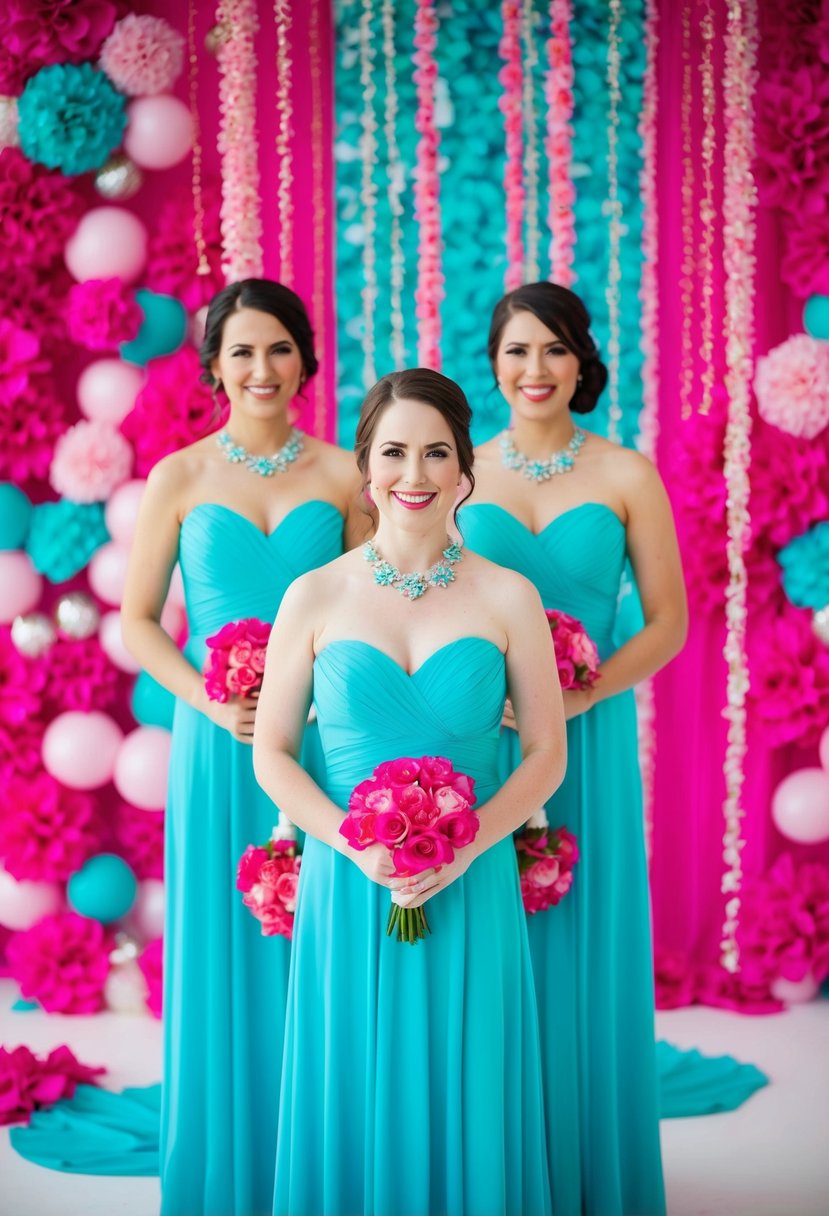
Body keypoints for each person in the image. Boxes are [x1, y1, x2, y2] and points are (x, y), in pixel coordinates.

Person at [253, 367, 567, 1216]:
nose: (414, 474)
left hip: (472, 880)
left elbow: (544, 753)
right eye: (394, 451)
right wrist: (355, 844)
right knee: (348, 1074)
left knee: (472, 1080)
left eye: (436, 453)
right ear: (366, 465)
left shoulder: (509, 596)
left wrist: (466, 845)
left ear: (464, 467)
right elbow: (274, 755)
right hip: (349, 880)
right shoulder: (312, 594)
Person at [121, 278, 358, 1216]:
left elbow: (370, 605)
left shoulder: (347, 476)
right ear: (214, 364)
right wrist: (209, 704)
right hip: (217, 743)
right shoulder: (177, 478)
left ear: (305, 358)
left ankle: (319, 1153)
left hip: (316, 747)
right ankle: (231, 1154)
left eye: (278, 349)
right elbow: (141, 622)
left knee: (316, 938)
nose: (261, 369)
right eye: (241, 351)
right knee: (226, 940)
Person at [460, 282, 688, 1216]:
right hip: (484, 747)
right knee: (491, 947)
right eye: (517, 351)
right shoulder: (459, 470)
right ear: (494, 364)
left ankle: (584, 1168)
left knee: (580, 944)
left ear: (582, 362)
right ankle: (494, 1166)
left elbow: (667, 624)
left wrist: (582, 688)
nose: (535, 369)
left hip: (584, 746)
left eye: (553, 350)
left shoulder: (628, 475)